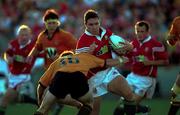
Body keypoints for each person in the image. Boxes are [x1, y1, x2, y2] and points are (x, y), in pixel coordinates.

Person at [76, 9, 135, 115]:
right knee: (94, 112)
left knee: (129, 93)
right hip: (91, 79)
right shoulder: (82, 42)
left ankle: (121, 111)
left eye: (96, 23)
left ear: (100, 22)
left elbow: (118, 45)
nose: (94, 27)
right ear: (85, 25)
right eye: (91, 24)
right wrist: (89, 54)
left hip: (107, 72)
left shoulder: (106, 32)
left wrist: (129, 47)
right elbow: (83, 64)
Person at [34, 50, 128, 115]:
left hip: (60, 77)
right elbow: (106, 62)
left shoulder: (57, 62)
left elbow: (41, 84)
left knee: (42, 109)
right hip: (78, 77)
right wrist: (121, 60)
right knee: (89, 104)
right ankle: (80, 105)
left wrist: (39, 101)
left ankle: (42, 109)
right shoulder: (83, 57)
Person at [27, 8, 78, 114]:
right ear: (45, 23)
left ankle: (80, 104)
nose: (52, 25)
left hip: (62, 70)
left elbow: (76, 49)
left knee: (46, 97)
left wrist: (61, 57)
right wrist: (30, 56)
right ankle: (77, 104)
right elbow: (37, 48)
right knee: (49, 98)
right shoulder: (42, 36)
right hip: (49, 71)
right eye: (49, 23)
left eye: (54, 23)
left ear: (58, 23)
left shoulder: (65, 36)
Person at [113, 20, 169, 115]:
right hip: (132, 76)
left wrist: (150, 62)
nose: (139, 34)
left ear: (148, 32)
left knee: (128, 106)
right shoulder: (133, 44)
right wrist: (119, 54)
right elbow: (127, 58)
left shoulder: (156, 45)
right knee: (119, 107)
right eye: (138, 31)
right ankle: (143, 110)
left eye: (142, 31)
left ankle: (141, 109)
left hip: (146, 79)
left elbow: (166, 62)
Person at [0, 25, 38, 115]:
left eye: (26, 35)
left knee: (4, 101)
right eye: (22, 35)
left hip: (23, 76)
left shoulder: (33, 47)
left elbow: (38, 59)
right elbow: (8, 54)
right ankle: (36, 102)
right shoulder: (13, 43)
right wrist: (8, 58)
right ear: (18, 36)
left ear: (30, 36)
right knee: (13, 99)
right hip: (13, 75)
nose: (24, 37)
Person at [167, 16, 180, 115]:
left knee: (176, 94)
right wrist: (170, 39)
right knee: (175, 94)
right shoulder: (177, 21)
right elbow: (172, 41)